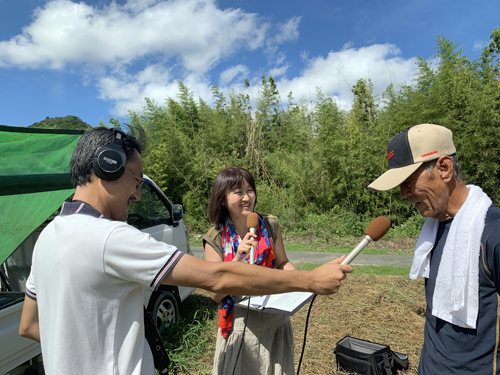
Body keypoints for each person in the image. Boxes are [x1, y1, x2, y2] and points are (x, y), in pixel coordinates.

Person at [18, 127, 352, 375]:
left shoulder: (48, 237)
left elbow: (30, 325)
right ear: (109, 165)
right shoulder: (109, 237)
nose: (136, 195)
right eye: (136, 181)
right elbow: (217, 278)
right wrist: (311, 280)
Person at [368, 123, 500, 375]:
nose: (403, 193)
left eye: (408, 181)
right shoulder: (433, 230)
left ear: (444, 168)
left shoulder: (492, 233)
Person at [203, 166, 296, 375]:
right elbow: (215, 294)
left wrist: (299, 281)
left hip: (275, 319)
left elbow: (282, 263)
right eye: (238, 192)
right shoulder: (215, 238)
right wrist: (236, 260)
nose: (246, 197)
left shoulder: (270, 224)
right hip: (239, 325)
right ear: (222, 199)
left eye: (250, 190)